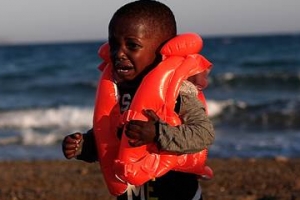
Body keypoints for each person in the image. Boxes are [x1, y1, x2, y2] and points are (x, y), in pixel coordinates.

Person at [62, 1, 215, 200]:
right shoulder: (119, 91)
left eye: (132, 45)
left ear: (163, 50)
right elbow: (110, 137)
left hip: (177, 193)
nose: (119, 53)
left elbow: (204, 134)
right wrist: (85, 146)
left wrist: (157, 133)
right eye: (114, 45)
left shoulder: (179, 90)